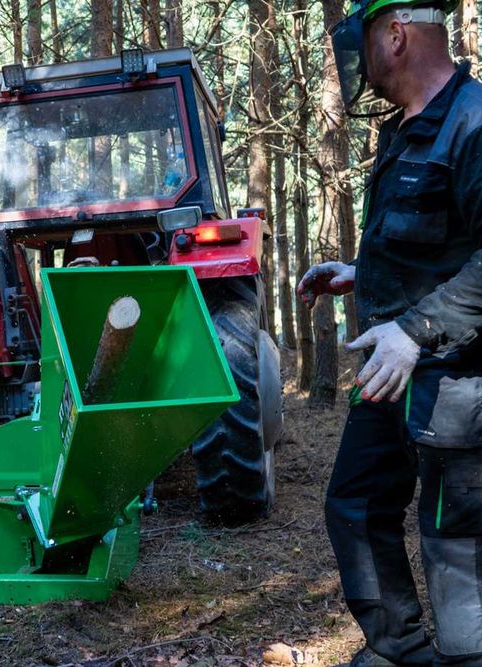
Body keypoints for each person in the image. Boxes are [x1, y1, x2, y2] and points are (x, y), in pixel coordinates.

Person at [296, 0, 482, 663]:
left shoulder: (473, 125)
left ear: (397, 35)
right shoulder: (403, 132)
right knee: (356, 503)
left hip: (457, 380)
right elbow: (433, 243)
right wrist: (358, 271)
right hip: (390, 369)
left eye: (365, 41)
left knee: (456, 546)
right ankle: (401, 646)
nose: (359, 64)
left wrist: (416, 327)